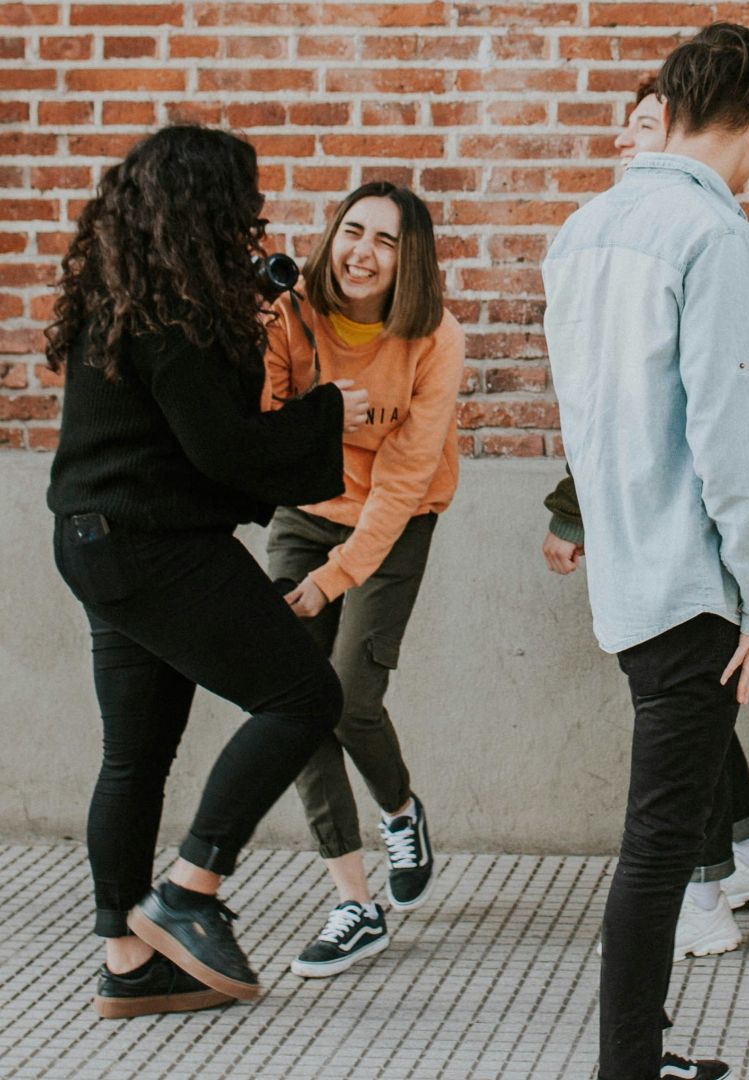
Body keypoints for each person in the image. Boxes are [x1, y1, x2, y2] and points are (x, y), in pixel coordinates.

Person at [45, 125, 368, 1018]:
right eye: (242, 206)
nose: (251, 223)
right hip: (155, 549)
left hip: (94, 542)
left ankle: (126, 961)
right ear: (206, 210)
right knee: (304, 696)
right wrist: (333, 411)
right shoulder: (170, 317)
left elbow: (187, 432)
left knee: (134, 758)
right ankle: (189, 891)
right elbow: (222, 447)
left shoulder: (125, 295)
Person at [541, 23, 749, 1080]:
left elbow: (584, 413)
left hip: (627, 570)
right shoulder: (716, 235)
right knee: (657, 849)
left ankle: (639, 1054)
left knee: (664, 835)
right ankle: (628, 1069)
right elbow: (728, 429)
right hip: (694, 578)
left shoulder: (583, 227)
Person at [258, 181, 464, 978]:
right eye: (353, 231)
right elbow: (260, 423)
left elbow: (405, 477)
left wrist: (335, 578)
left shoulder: (435, 337)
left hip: (396, 516)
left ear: (410, 260)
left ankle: (399, 811)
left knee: (347, 694)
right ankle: (353, 900)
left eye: (386, 240)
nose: (363, 252)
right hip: (306, 508)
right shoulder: (290, 315)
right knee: (293, 696)